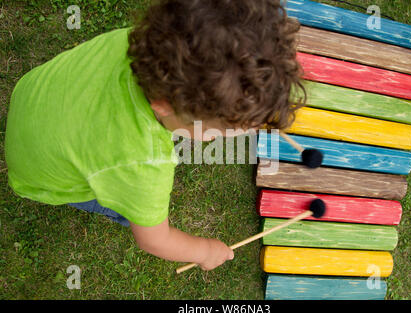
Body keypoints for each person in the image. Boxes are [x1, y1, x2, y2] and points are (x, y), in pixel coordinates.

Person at [4, 0, 304, 271]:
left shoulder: (144, 42)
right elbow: (155, 240)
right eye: (220, 131)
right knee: (132, 210)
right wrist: (204, 250)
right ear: (161, 104)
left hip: (34, 97)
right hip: (38, 175)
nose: (229, 137)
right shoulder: (143, 164)